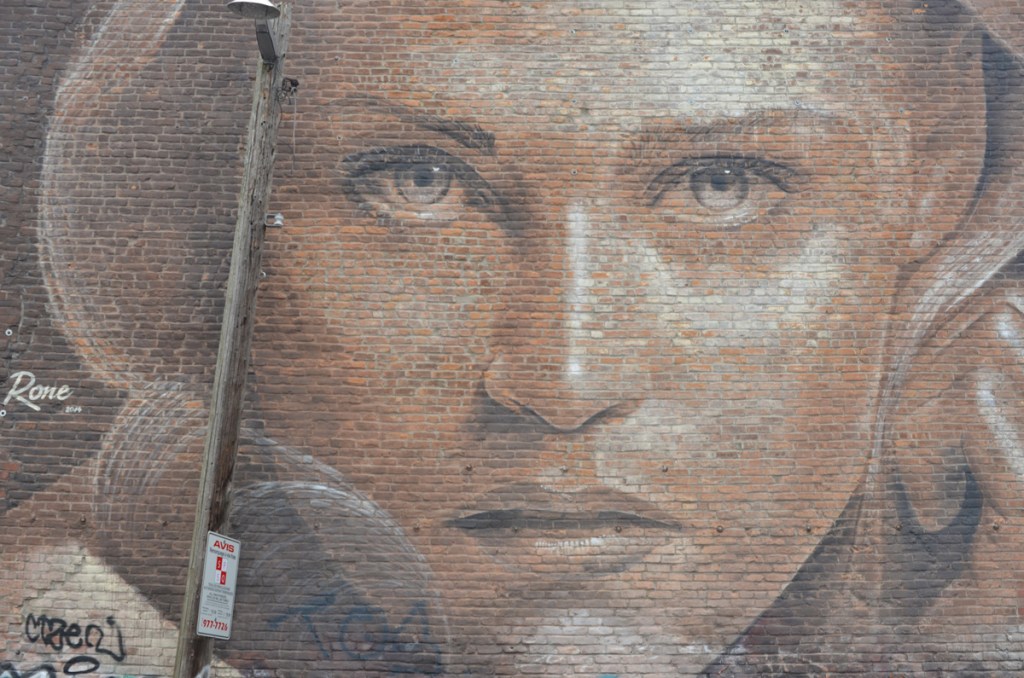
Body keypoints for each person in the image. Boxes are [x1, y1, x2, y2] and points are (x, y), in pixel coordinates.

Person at [31, 0, 1024, 674]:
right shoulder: (59, 614)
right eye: (416, 180)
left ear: (937, 164)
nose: (563, 379)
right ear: (231, 196)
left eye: (723, 182)